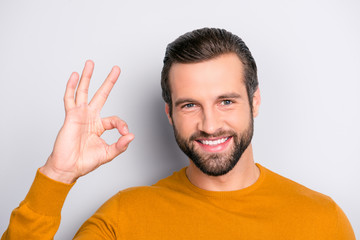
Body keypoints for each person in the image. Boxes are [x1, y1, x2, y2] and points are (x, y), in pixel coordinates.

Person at [1, 28, 355, 239]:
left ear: (255, 101)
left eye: (226, 101)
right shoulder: (125, 218)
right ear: (169, 113)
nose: (209, 124)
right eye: (189, 105)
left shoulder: (322, 220)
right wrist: (56, 176)